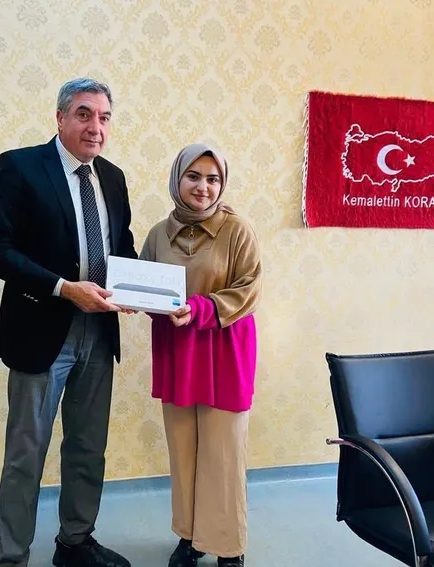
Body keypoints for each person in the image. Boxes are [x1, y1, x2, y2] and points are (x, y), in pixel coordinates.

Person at [0, 78, 137, 567]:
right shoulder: (21, 167)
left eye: (104, 118)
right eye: (84, 114)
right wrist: (64, 288)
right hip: (42, 332)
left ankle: (75, 542)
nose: (95, 127)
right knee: (26, 453)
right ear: (61, 117)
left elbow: (122, 249)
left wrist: (149, 292)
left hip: (99, 333)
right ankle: (12, 557)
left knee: (88, 447)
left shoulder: (113, 177)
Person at [139, 144, 262, 567]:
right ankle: (190, 537)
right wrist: (132, 298)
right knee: (184, 450)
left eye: (213, 179)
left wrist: (200, 308)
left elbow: (249, 289)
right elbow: (146, 285)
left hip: (224, 353)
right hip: (177, 353)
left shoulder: (237, 230)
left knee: (224, 453)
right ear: (177, 179)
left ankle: (228, 544)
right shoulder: (159, 233)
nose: (203, 187)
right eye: (193, 176)